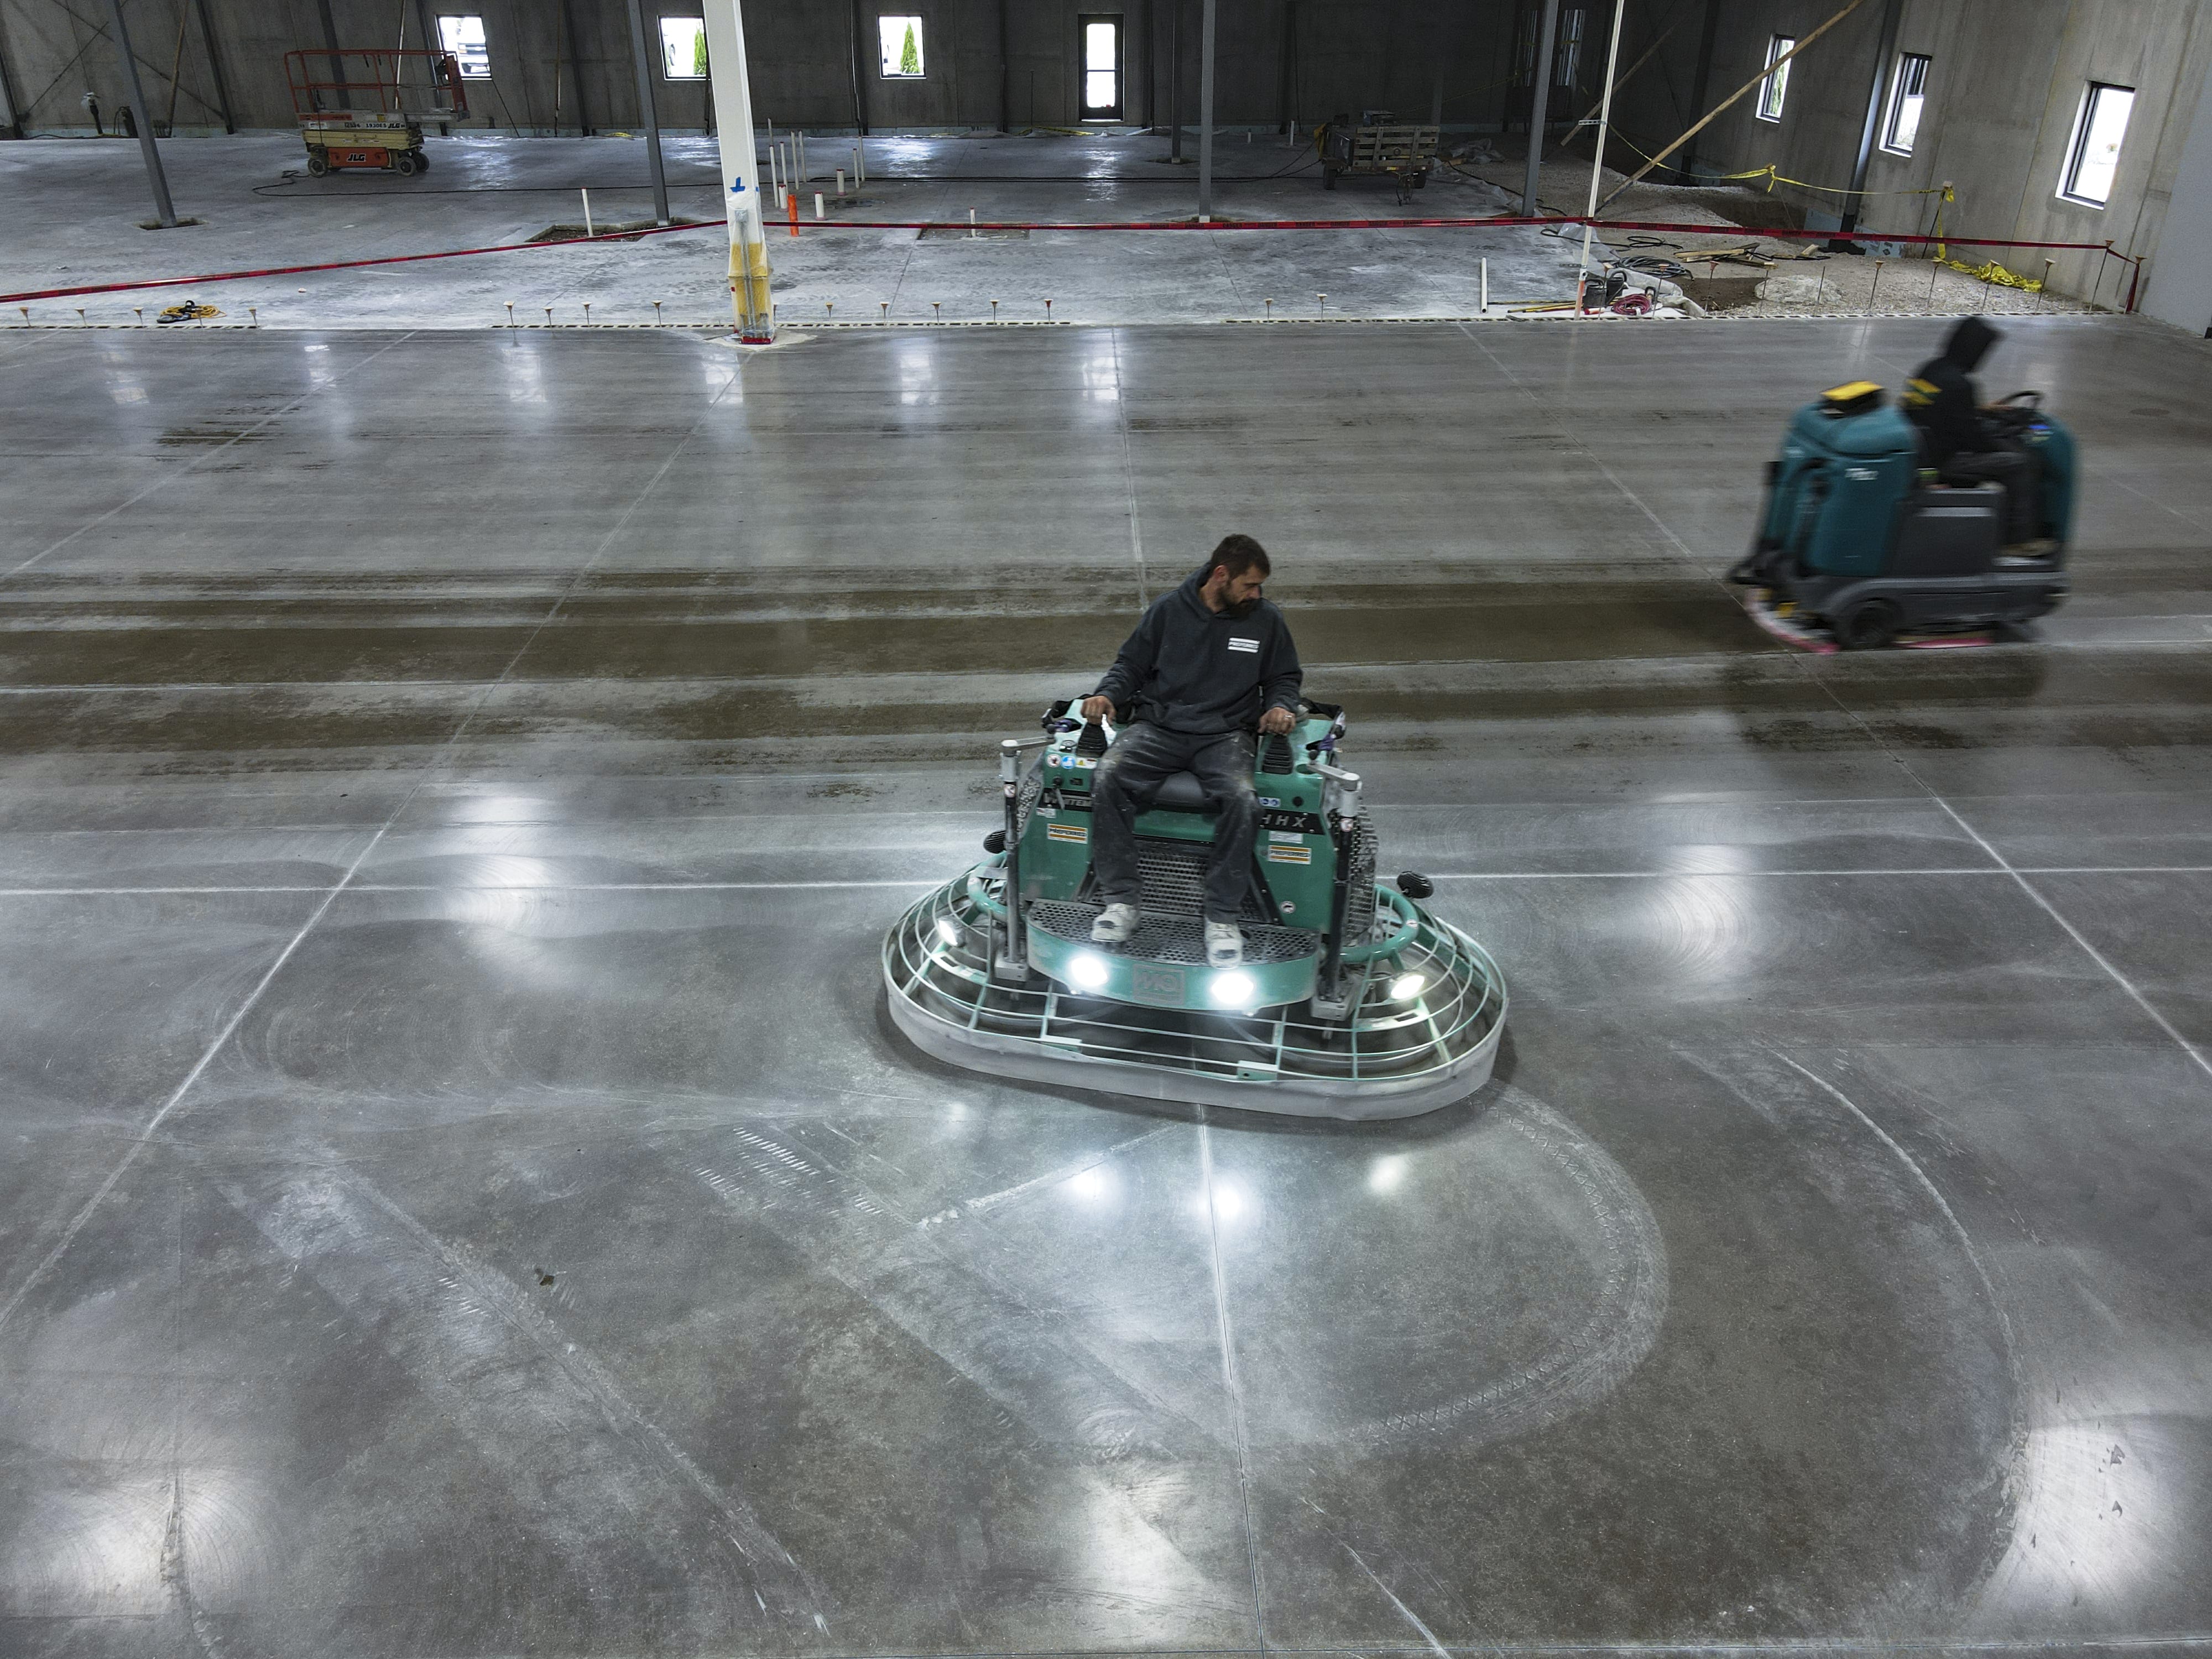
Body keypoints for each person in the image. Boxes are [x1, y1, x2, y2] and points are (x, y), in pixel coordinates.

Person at [1081, 534, 1303, 968]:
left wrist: (1280, 705)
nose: (1256, 594)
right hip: (1160, 727)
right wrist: (1107, 695)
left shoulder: (1265, 620)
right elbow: (1131, 665)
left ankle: (1221, 918)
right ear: (1221, 575)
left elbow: (1285, 677)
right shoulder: (1168, 611)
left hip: (1225, 735)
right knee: (1108, 776)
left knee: (1243, 798)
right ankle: (1121, 902)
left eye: (1258, 587)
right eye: (1249, 585)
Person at [1902, 316, 2049, 551]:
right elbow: (1974, 438)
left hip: (1923, 452)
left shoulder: (1930, 369)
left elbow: (1936, 409)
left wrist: (1981, 410)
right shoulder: (1962, 384)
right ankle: (2017, 540)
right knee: (2020, 464)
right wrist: (2006, 442)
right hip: (1945, 460)